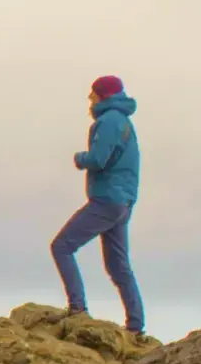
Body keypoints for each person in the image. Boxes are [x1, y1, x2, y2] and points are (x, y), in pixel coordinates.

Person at [53, 74, 144, 335]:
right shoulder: (124, 121)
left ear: (102, 96)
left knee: (62, 246)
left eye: (92, 93)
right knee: (119, 266)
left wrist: (80, 158)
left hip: (106, 199)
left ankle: (77, 309)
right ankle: (136, 327)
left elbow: (99, 159)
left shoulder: (109, 121)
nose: (89, 98)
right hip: (123, 202)